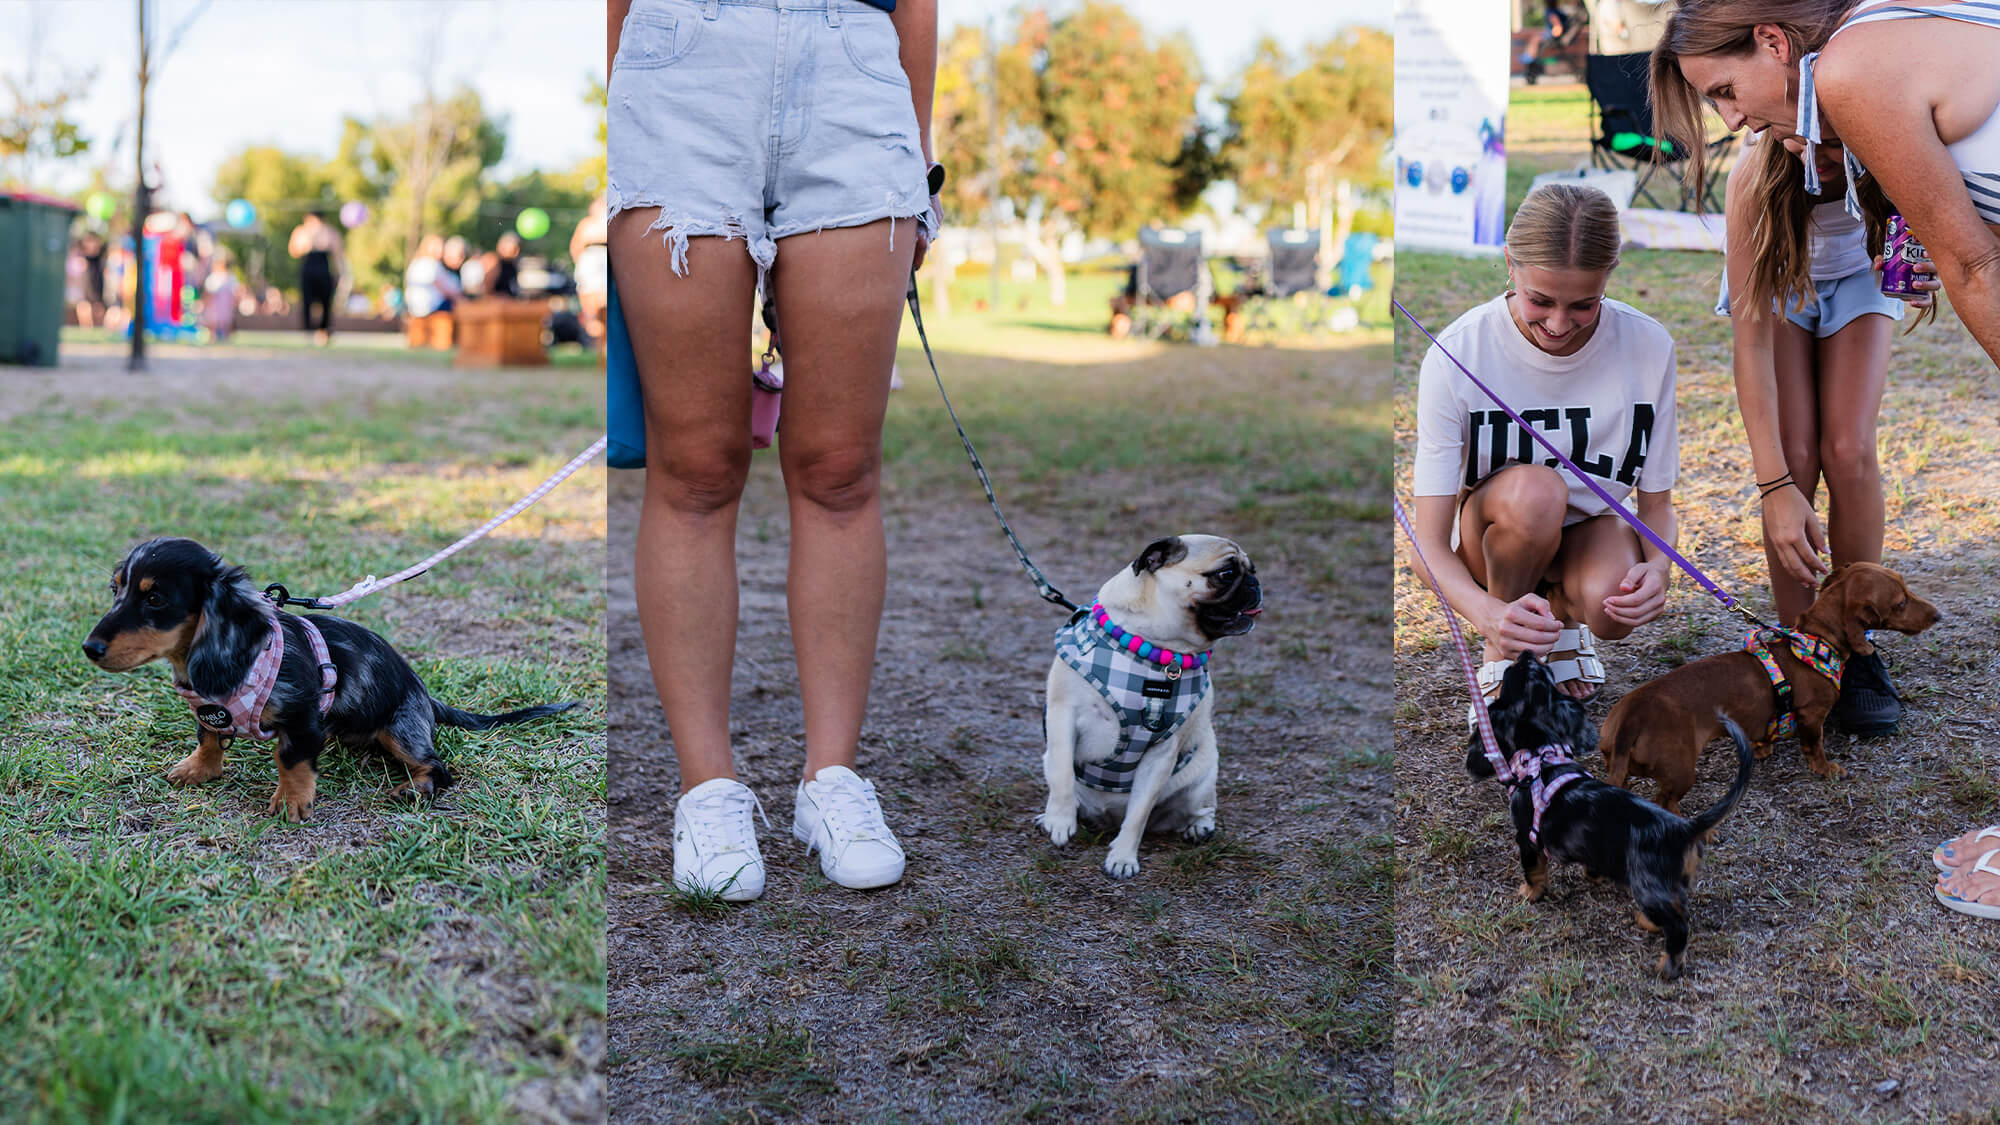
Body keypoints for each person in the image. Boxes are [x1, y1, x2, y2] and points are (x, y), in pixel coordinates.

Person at [608, 0, 942, 902]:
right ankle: (708, 789)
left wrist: (913, 147)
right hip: (682, 58)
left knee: (840, 467)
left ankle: (830, 781)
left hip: (854, 68)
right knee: (698, 467)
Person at [1411, 183, 1680, 711]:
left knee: (1612, 606)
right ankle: (1506, 654)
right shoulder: (1457, 353)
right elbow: (1428, 550)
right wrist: (1488, 615)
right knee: (1537, 492)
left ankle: (1558, 626)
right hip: (1497, 540)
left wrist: (1658, 567)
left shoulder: (1648, 346)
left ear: (1610, 275)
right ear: (1510, 263)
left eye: (1584, 304)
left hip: (1591, 531)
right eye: (1540, 300)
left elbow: (1657, 505)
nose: (1558, 324)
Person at [1718, 129, 1937, 734]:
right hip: (1779, 276)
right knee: (1798, 455)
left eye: (1836, 141)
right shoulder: (1754, 177)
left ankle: (1859, 645)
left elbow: (1957, 234)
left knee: (1849, 449)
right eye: (1801, 138)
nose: (1817, 153)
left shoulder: (1890, 141)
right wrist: (1774, 486)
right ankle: (1803, 645)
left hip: (1862, 280)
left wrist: (1930, 257)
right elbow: (1750, 344)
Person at [1651, 0, 2000, 368]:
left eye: (1727, 92)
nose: (1732, 121)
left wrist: (1959, 258)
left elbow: (1975, 268)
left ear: (1773, 42)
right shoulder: (1879, 32)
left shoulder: (1849, 71)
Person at [288, 210, 344, 346]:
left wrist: (339, 272)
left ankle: (323, 331)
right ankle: (307, 331)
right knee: (307, 301)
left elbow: (337, 254)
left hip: (323, 268)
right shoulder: (301, 231)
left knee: (326, 301)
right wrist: (308, 242)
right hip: (307, 266)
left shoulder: (330, 232)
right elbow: (293, 251)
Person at [570, 193, 608, 345]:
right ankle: (596, 341)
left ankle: (604, 342)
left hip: (605, 262)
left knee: (605, 303)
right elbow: (576, 246)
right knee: (590, 305)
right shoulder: (586, 224)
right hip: (590, 264)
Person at [403, 234, 463, 319]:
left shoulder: (415, 263)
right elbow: (449, 291)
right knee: (462, 308)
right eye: (438, 247)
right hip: (431, 309)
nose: (441, 250)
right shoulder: (433, 264)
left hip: (414, 310)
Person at [201, 249, 240, 341]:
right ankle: (215, 337)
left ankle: (222, 337)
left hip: (221, 306)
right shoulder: (219, 278)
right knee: (215, 322)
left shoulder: (223, 278)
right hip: (218, 306)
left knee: (223, 322)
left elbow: (209, 294)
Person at [74, 231, 108, 329]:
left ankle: (99, 329)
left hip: (98, 286)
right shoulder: (83, 257)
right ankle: (87, 328)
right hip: (86, 287)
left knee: (98, 308)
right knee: (84, 307)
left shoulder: (100, 257)